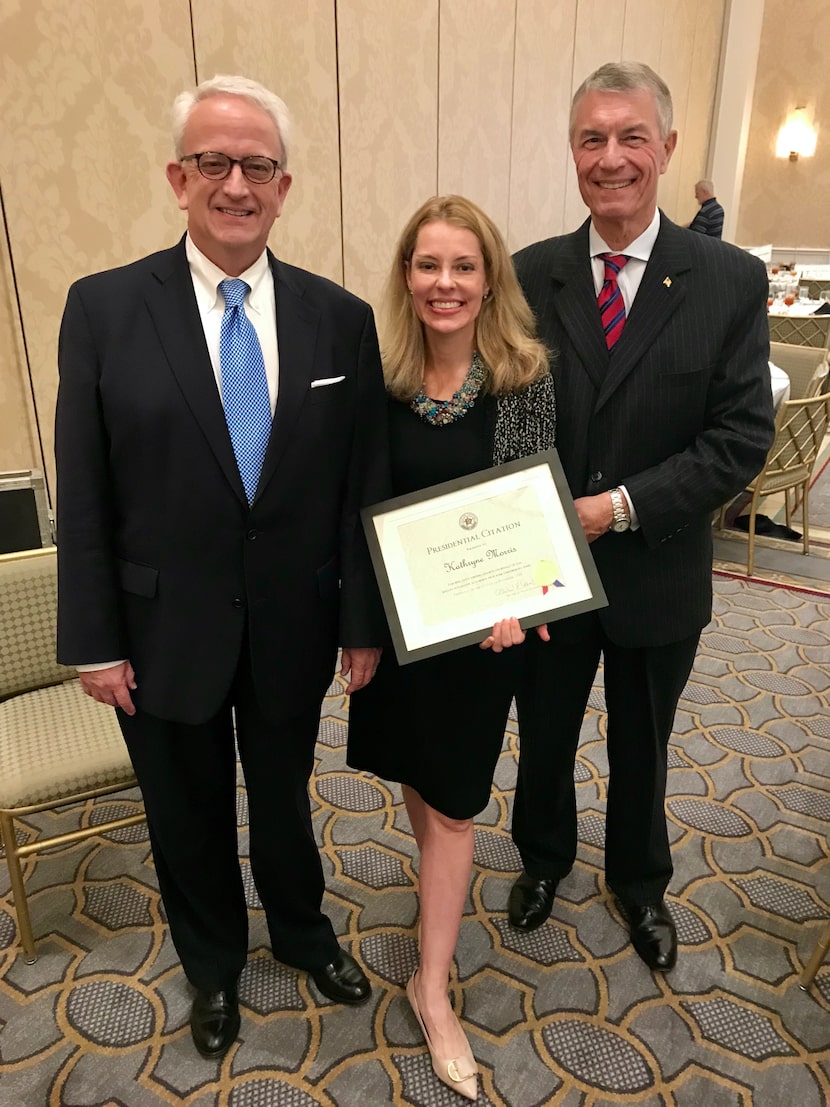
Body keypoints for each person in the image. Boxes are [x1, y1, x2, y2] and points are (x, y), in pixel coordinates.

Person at [55, 75, 390, 1060]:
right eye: (213, 162)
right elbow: (85, 494)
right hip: (158, 631)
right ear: (177, 177)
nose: (235, 184)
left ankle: (300, 931)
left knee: (286, 800)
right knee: (186, 814)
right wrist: (93, 643)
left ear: (284, 187)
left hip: (295, 621)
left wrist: (361, 620)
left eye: (257, 167)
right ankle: (211, 966)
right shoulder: (105, 308)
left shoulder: (340, 320)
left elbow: (357, 488)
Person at [507, 63, 774, 972]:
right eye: (592, 138)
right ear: (572, 151)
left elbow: (740, 439)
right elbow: (504, 418)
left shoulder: (729, 280)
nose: (611, 157)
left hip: (656, 565)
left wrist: (619, 508)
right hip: (546, 569)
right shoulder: (528, 273)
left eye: (630, 138)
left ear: (664, 148)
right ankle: (542, 858)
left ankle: (639, 880)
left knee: (644, 741)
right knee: (543, 734)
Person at [348, 195, 553, 1100]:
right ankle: (435, 909)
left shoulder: (523, 377)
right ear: (406, 276)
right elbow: (356, 506)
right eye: (427, 265)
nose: (444, 283)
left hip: (480, 639)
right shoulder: (381, 374)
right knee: (422, 787)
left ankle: (432, 988)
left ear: (488, 278)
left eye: (462, 266)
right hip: (400, 638)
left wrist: (520, 600)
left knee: (460, 804)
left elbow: (532, 515)